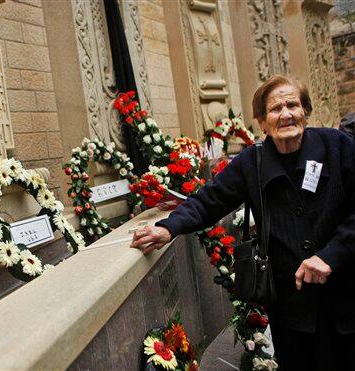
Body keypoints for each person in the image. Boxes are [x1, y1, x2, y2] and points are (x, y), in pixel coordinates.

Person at [130, 75, 355, 370]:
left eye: (293, 105)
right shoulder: (253, 162)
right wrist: (168, 227)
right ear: (262, 122)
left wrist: (330, 256)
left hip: (347, 297)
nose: (286, 114)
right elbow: (210, 200)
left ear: (305, 112)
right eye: (275, 109)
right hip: (293, 309)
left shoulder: (337, 146)